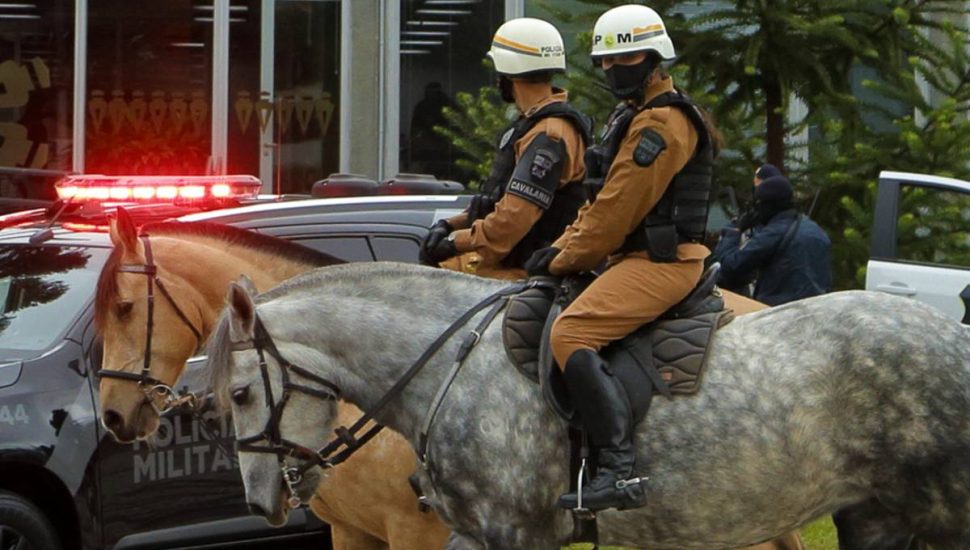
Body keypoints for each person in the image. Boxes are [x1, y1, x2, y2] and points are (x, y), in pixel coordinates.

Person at [523, 4, 716, 512]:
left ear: (654, 58)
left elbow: (617, 210)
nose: (612, 70)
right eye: (604, 62)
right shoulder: (632, 114)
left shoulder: (664, 123)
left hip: (663, 263)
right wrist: (564, 246)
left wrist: (566, 259)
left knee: (572, 332)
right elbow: (596, 202)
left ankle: (617, 470)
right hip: (628, 259)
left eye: (623, 58)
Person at [419, 17, 591, 280]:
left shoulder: (548, 134)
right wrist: (448, 225)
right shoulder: (533, 126)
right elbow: (497, 202)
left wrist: (455, 242)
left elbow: (513, 220)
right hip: (499, 269)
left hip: (517, 277)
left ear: (509, 72)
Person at [712, 172, 832, 306]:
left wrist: (735, 231)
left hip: (780, 312)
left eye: (757, 205)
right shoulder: (815, 229)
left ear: (765, 205)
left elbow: (730, 267)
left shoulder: (774, 233)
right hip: (817, 308)